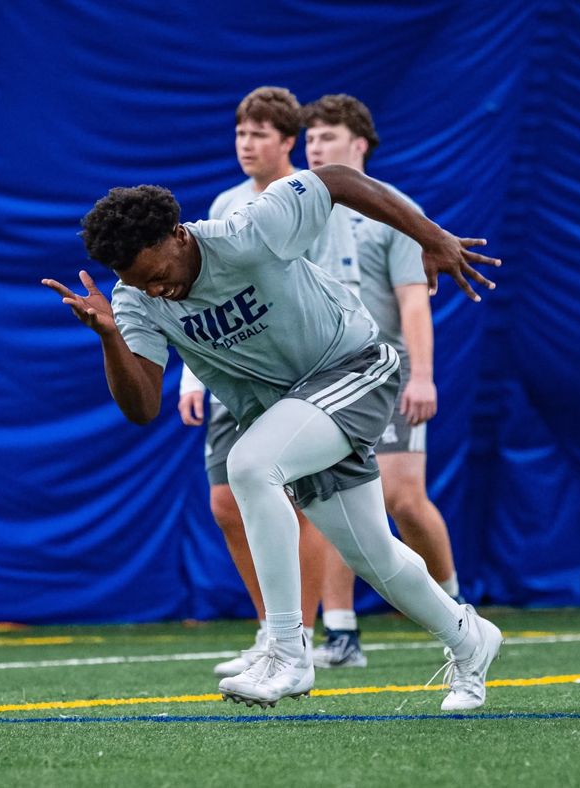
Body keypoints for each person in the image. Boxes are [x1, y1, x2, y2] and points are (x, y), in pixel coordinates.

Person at [42, 161, 502, 710]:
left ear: (178, 235)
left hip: (353, 367)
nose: (156, 289)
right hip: (292, 408)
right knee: (373, 555)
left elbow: (338, 179)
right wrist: (110, 338)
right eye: (141, 283)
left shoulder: (250, 230)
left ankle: (287, 651)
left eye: (156, 273)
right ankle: (470, 639)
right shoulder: (135, 299)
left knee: (250, 465)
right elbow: (142, 407)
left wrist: (431, 236)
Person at [177, 87, 360, 677]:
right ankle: (270, 632)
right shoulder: (226, 203)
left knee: (300, 506)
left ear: (288, 142)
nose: (246, 144)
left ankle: (296, 638)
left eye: (259, 134)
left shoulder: (312, 197)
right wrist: (190, 377)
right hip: (235, 377)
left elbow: (340, 285)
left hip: (302, 373)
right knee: (226, 503)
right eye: (240, 133)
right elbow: (197, 296)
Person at [303, 94, 465, 669]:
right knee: (333, 500)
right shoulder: (298, 208)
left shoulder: (393, 209)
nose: (315, 148)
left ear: (360, 144)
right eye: (310, 139)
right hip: (322, 379)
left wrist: (423, 377)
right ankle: (341, 634)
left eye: (326, 137)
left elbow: (413, 301)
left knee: (403, 501)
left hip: (386, 373)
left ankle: (456, 610)